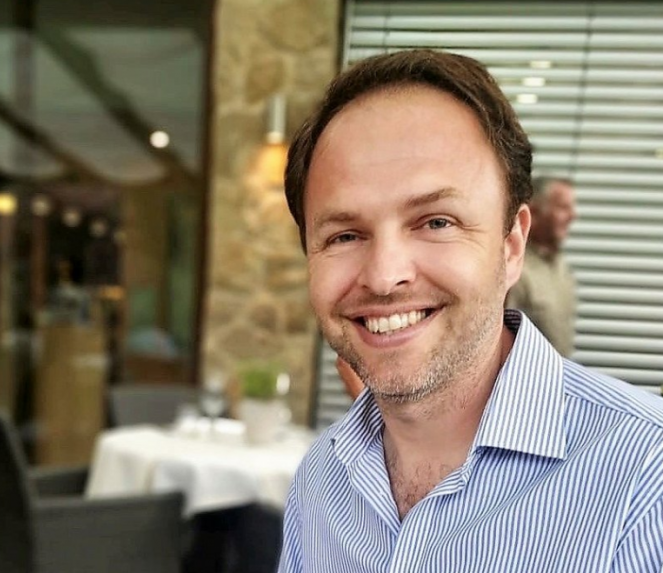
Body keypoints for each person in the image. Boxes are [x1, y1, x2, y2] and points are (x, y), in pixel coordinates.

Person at [278, 49, 663, 572]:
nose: (384, 276)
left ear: (511, 247)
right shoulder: (320, 478)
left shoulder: (645, 483)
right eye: (345, 235)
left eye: (436, 222)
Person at [505, 176, 577, 356]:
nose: (573, 216)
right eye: (562, 207)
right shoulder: (515, 271)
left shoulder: (560, 266)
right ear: (534, 213)